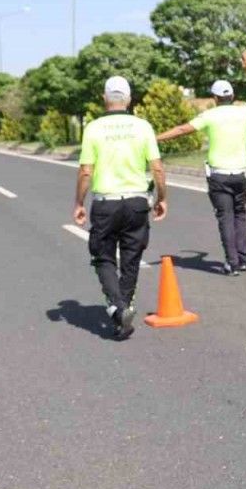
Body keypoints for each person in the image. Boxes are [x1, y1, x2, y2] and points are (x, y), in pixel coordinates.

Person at [74, 76, 168, 340]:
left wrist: (79, 202)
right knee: (131, 258)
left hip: (106, 203)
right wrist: (161, 198)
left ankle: (118, 307)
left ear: (105, 99)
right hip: (137, 203)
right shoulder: (143, 127)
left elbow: (85, 171)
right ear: (129, 99)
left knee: (103, 256)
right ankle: (123, 311)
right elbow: (157, 168)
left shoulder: (93, 128)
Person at [157, 50, 246, 276]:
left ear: (215, 99)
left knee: (225, 217)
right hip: (241, 175)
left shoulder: (209, 116)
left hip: (219, 176)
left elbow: (182, 129)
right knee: (239, 214)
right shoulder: (243, 112)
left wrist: (156, 138)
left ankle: (231, 262)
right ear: (232, 96)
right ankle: (242, 259)